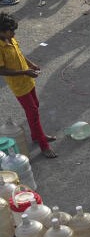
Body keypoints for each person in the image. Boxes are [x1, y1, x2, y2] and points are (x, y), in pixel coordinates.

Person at [0, 13, 55, 157]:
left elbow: (20, 54)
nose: (13, 33)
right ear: (2, 31)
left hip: (28, 79)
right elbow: (1, 70)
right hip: (19, 86)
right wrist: (24, 71)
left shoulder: (10, 39)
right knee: (33, 113)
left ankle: (37, 136)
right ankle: (44, 146)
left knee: (34, 107)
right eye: (11, 31)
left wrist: (31, 64)